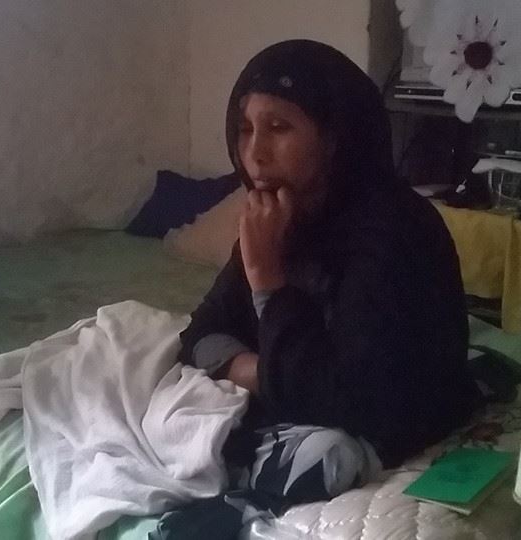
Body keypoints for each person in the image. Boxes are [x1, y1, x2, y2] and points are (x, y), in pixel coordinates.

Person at [156, 40, 482, 538]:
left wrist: (267, 279)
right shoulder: (281, 213)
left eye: (278, 128)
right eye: (245, 129)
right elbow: (200, 334)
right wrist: (273, 374)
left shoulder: (391, 233)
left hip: (395, 416)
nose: (255, 153)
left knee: (325, 454)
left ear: (333, 139)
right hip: (308, 395)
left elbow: (353, 399)